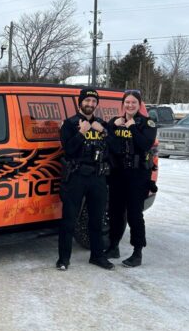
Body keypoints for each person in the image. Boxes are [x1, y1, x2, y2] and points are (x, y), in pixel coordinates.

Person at [57, 88, 114, 271]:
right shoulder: (69, 124)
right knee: (69, 220)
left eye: (93, 101)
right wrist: (81, 133)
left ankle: (97, 256)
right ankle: (63, 259)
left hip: (97, 177)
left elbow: (115, 148)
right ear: (80, 102)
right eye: (87, 101)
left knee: (96, 219)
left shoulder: (101, 124)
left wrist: (104, 131)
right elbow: (69, 150)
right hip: (76, 176)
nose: (90, 104)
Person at [105, 89, 157, 268]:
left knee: (135, 214)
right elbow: (109, 144)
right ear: (123, 104)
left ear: (139, 104)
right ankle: (113, 246)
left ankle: (137, 252)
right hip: (117, 173)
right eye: (127, 102)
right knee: (115, 212)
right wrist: (113, 128)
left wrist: (132, 127)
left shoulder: (147, 123)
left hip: (137, 175)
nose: (130, 105)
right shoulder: (115, 122)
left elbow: (145, 144)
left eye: (134, 102)